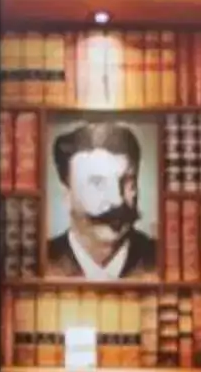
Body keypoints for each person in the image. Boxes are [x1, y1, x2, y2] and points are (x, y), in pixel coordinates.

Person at [43, 120, 160, 280]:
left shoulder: (163, 260)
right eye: (97, 183)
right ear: (67, 194)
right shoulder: (40, 262)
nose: (116, 200)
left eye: (127, 182)